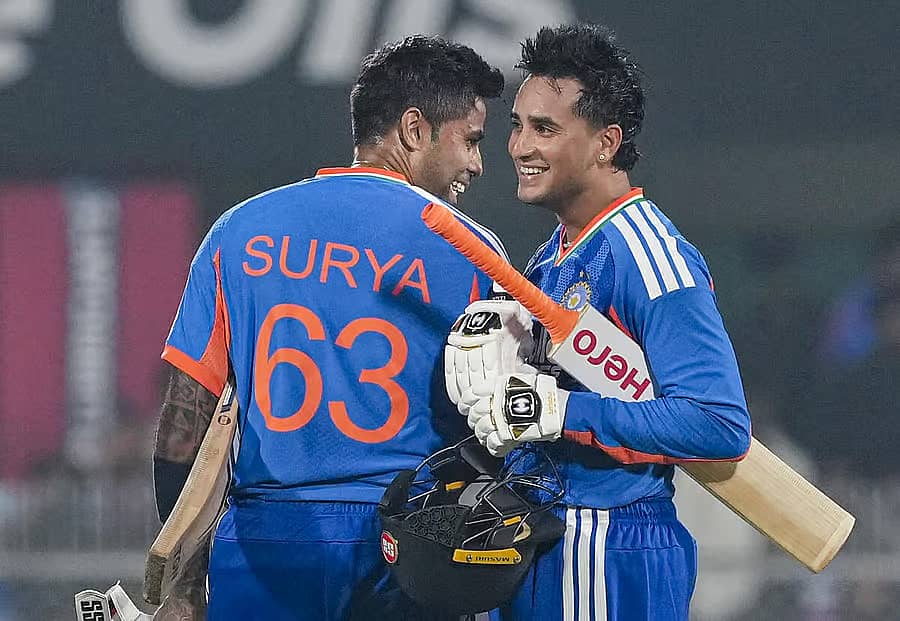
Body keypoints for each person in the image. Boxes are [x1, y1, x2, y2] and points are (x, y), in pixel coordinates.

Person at [151, 35, 507, 620]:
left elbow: (181, 429)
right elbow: (500, 430)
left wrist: (182, 582)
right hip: (407, 551)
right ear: (414, 130)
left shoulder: (238, 233)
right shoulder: (472, 251)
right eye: (469, 140)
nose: (476, 163)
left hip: (262, 549)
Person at [447, 24, 752, 620]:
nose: (519, 146)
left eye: (545, 129)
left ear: (606, 143)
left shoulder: (649, 256)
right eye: (517, 125)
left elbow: (717, 423)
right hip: (547, 532)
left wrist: (560, 411)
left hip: (606, 543)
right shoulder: (552, 256)